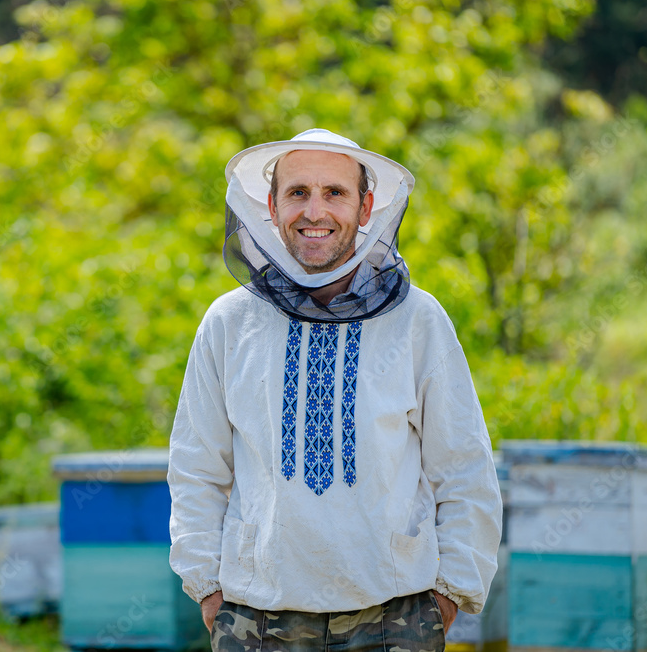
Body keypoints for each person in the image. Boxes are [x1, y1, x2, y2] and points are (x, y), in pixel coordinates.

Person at [167, 129, 502, 652]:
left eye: (335, 193)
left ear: (366, 207)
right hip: (256, 618)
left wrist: (449, 597)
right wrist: (209, 591)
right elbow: (196, 468)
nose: (314, 211)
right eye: (297, 192)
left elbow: (463, 468)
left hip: (396, 617)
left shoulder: (418, 321)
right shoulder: (229, 323)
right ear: (271, 208)